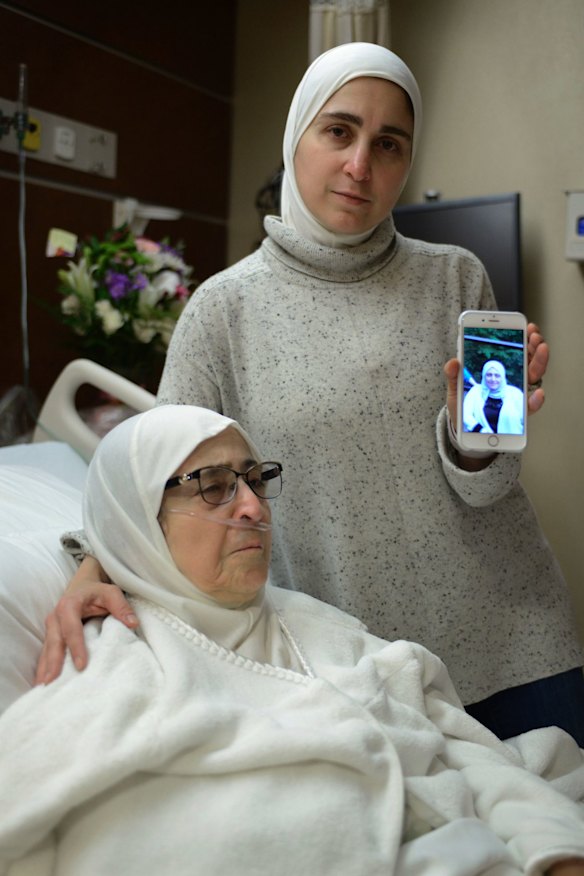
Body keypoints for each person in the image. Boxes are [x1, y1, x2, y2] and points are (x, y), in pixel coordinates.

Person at [37, 42, 584, 744]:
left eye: (389, 144)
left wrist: (467, 442)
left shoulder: (455, 279)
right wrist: (90, 570)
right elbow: (157, 476)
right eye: (339, 131)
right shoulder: (223, 310)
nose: (360, 166)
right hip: (361, 659)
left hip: (517, 639)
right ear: (297, 135)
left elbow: (486, 490)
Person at [2, 404, 584, 876]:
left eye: (254, 480)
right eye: (212, 487)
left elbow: (464, 753)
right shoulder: (115, 666)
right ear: (137, 522)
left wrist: (552, 850)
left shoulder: (316, 623)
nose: (253, 508)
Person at [463, 360, 524, 435]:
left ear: (503, 377)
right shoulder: (475, 391)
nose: (493, 379)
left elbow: (525, 419)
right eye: (489, 375)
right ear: (484, 376)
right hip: (480, 441)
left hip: (510, 442)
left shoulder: (515, 394)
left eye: (497, 375)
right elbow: (465, 414)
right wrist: (481, 430)